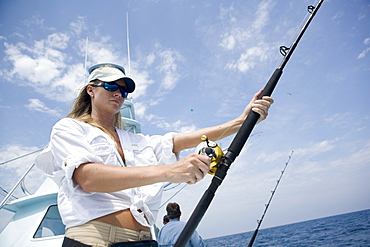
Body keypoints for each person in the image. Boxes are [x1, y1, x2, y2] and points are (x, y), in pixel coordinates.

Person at [35, 62, 274, 247]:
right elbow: (88, 179)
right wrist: (169, 172)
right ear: (91, 90)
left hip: (145, 240)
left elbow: (181, 139)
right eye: (110, 86)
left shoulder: (138, 141)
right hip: (94, 240)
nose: (118, 93)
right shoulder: (68, 128)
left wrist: (241, 121)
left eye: (123, 90)